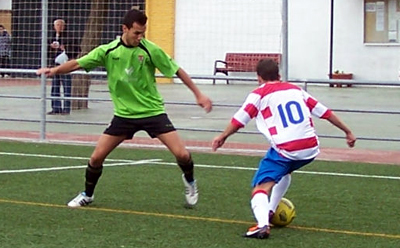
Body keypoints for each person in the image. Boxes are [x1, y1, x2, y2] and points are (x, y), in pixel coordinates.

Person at [37, 9, 212, 208]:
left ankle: (190, 183)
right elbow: (78, 63)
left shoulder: (150, 50)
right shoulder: (108, 51)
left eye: (143, 33)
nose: (140, 37)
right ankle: (87, 194)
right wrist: (54, 70)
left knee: (182, 154)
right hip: (124, 116)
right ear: (124, 29)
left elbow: (177, 71)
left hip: (152, 112)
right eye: (136, 33)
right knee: (96, 158)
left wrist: (198, 94)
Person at [211, 58, 356, 239]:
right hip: (310, 149)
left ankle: (262, 226)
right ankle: (271, 211)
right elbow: (326, 113)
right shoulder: (296, 90)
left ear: (259, 77)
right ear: (279, 75)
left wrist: (222, 136)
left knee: (259, 189)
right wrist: (347, 132)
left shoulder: (259, 94)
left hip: (287, 149)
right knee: (285, 173)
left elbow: (240, 120)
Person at [47, 19, 79, 115]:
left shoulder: (70, 36)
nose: (59, 27)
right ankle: (56, 108)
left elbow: (76, 48)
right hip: (55, 64)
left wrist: (65, 48)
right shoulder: (51, 36)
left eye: (61, 25)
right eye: (57, 25)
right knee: (55, 86)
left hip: (65, 64)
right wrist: (50, 47)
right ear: (54, 26)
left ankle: (66, 108)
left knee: (67, 86)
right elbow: (45, 49)